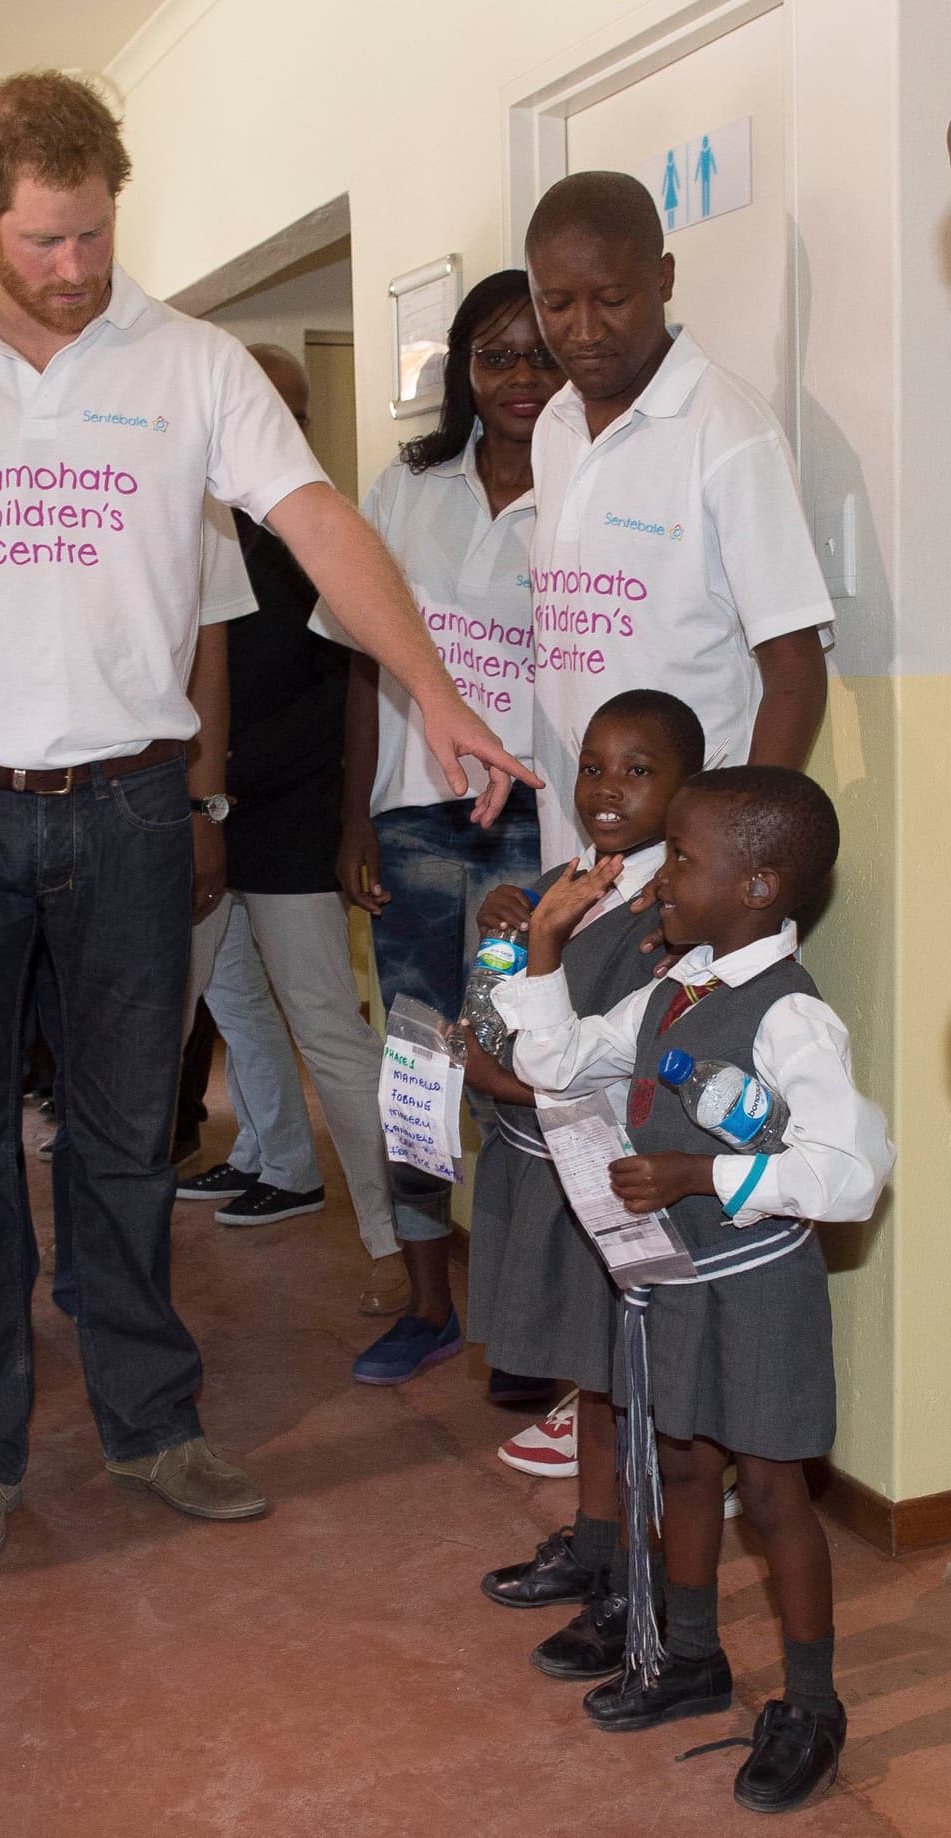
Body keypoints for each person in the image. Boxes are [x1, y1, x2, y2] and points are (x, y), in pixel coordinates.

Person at [0, 71, 529, 1574]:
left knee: (131, 1133)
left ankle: (148, 1421)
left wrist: (435, 688)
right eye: (47, 240)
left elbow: (320, 523)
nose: (77, 270)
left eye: (96, 236)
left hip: (131, 808)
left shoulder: (193, 363)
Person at [509, 767, 893, 1814]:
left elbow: (852, 1170)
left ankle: (810, 1705)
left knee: (770, 1496)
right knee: (680, 1466)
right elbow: (560, 1059)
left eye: (682, 857)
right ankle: (689, 1655)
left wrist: (699, 1174)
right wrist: (543, 948)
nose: (660, 873)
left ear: (758, 884)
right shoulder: (672, 986)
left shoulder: (791, 1017)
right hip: (673, 1282)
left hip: (755, 1287)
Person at [330, 269, 566, 1386]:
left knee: (520, 1067)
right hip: (414, 816)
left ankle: (523, 1323)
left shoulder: (589, 486)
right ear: (462, 370)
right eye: (494, 355)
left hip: (532, 824)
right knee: (416, 1059)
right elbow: (358, 662)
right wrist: (354, 819)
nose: (520, 375)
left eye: (538, 352)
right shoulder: (406, 486)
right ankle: (428, 1302)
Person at [463, 690, 704, 1683]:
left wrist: (503, 1072)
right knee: (586, 1370)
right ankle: (594, 1539)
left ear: (685, 788)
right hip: (544, 1167)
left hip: (605, 1168)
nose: (605, 789)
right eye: (592, 766)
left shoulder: (673, 915)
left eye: (637, 771)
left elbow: (610, 1059)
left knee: (625, 1381)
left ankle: (626, 1580)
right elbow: (500, 997)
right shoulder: (571, 875)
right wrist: (503, 933)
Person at [177, 346, 404, 1309]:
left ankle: (395, 1242)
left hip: (282, 826)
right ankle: (278, 1160)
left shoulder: (312, 538)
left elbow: (343, 696)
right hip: (187, 820)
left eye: (294, 413)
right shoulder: (178, 521)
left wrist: (226, 773)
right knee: (228, 1010)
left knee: (325, 1023)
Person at [523, 170, 833, 872]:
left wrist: (738, 846)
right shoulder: (554, 426)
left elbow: (794, 671)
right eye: (556, 304)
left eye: (611, 299)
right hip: (574, 841)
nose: (583, 330)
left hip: (689, 857)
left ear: (663, 278)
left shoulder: (727, 429)